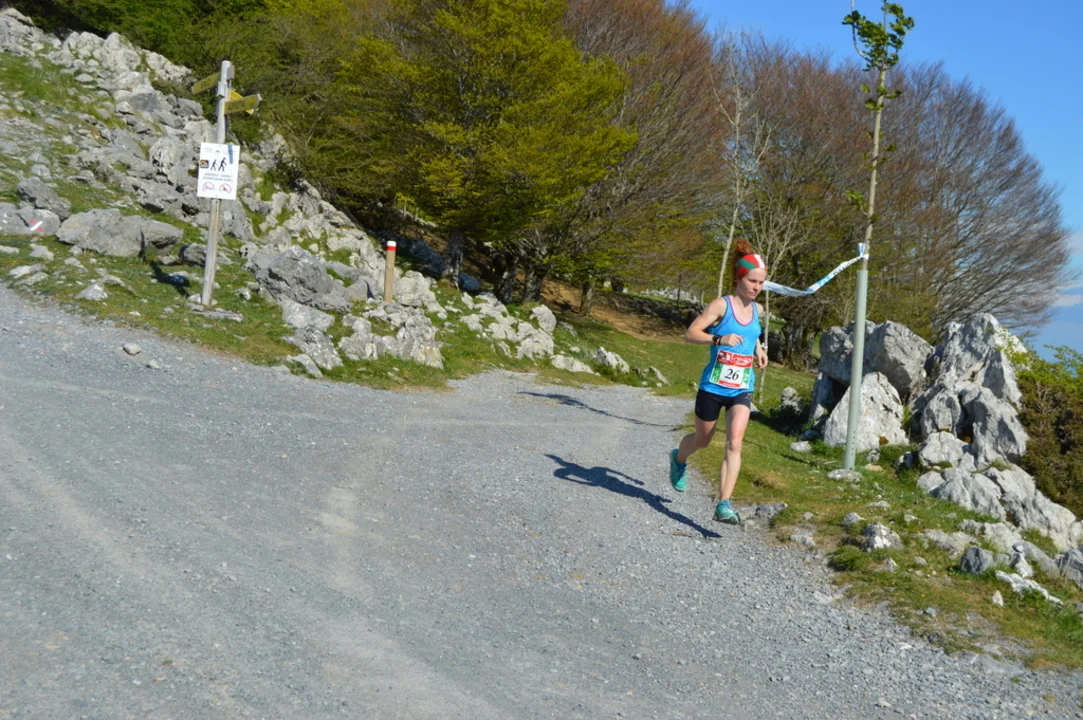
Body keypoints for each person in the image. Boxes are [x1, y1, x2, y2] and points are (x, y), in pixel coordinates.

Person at [668, 239, 768, 524]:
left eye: (761, 283)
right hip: (713, 387)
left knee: (734, 442)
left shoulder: (758, 310)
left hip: (742, 387)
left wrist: (759, 350)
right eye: (752, 281)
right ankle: (678, 458)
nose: (756, 287)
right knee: (702, 440)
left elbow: (752, 334)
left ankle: (724, 503)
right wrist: (718, 339)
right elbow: (690, 333)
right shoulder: (721, 305)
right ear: (739, 278)